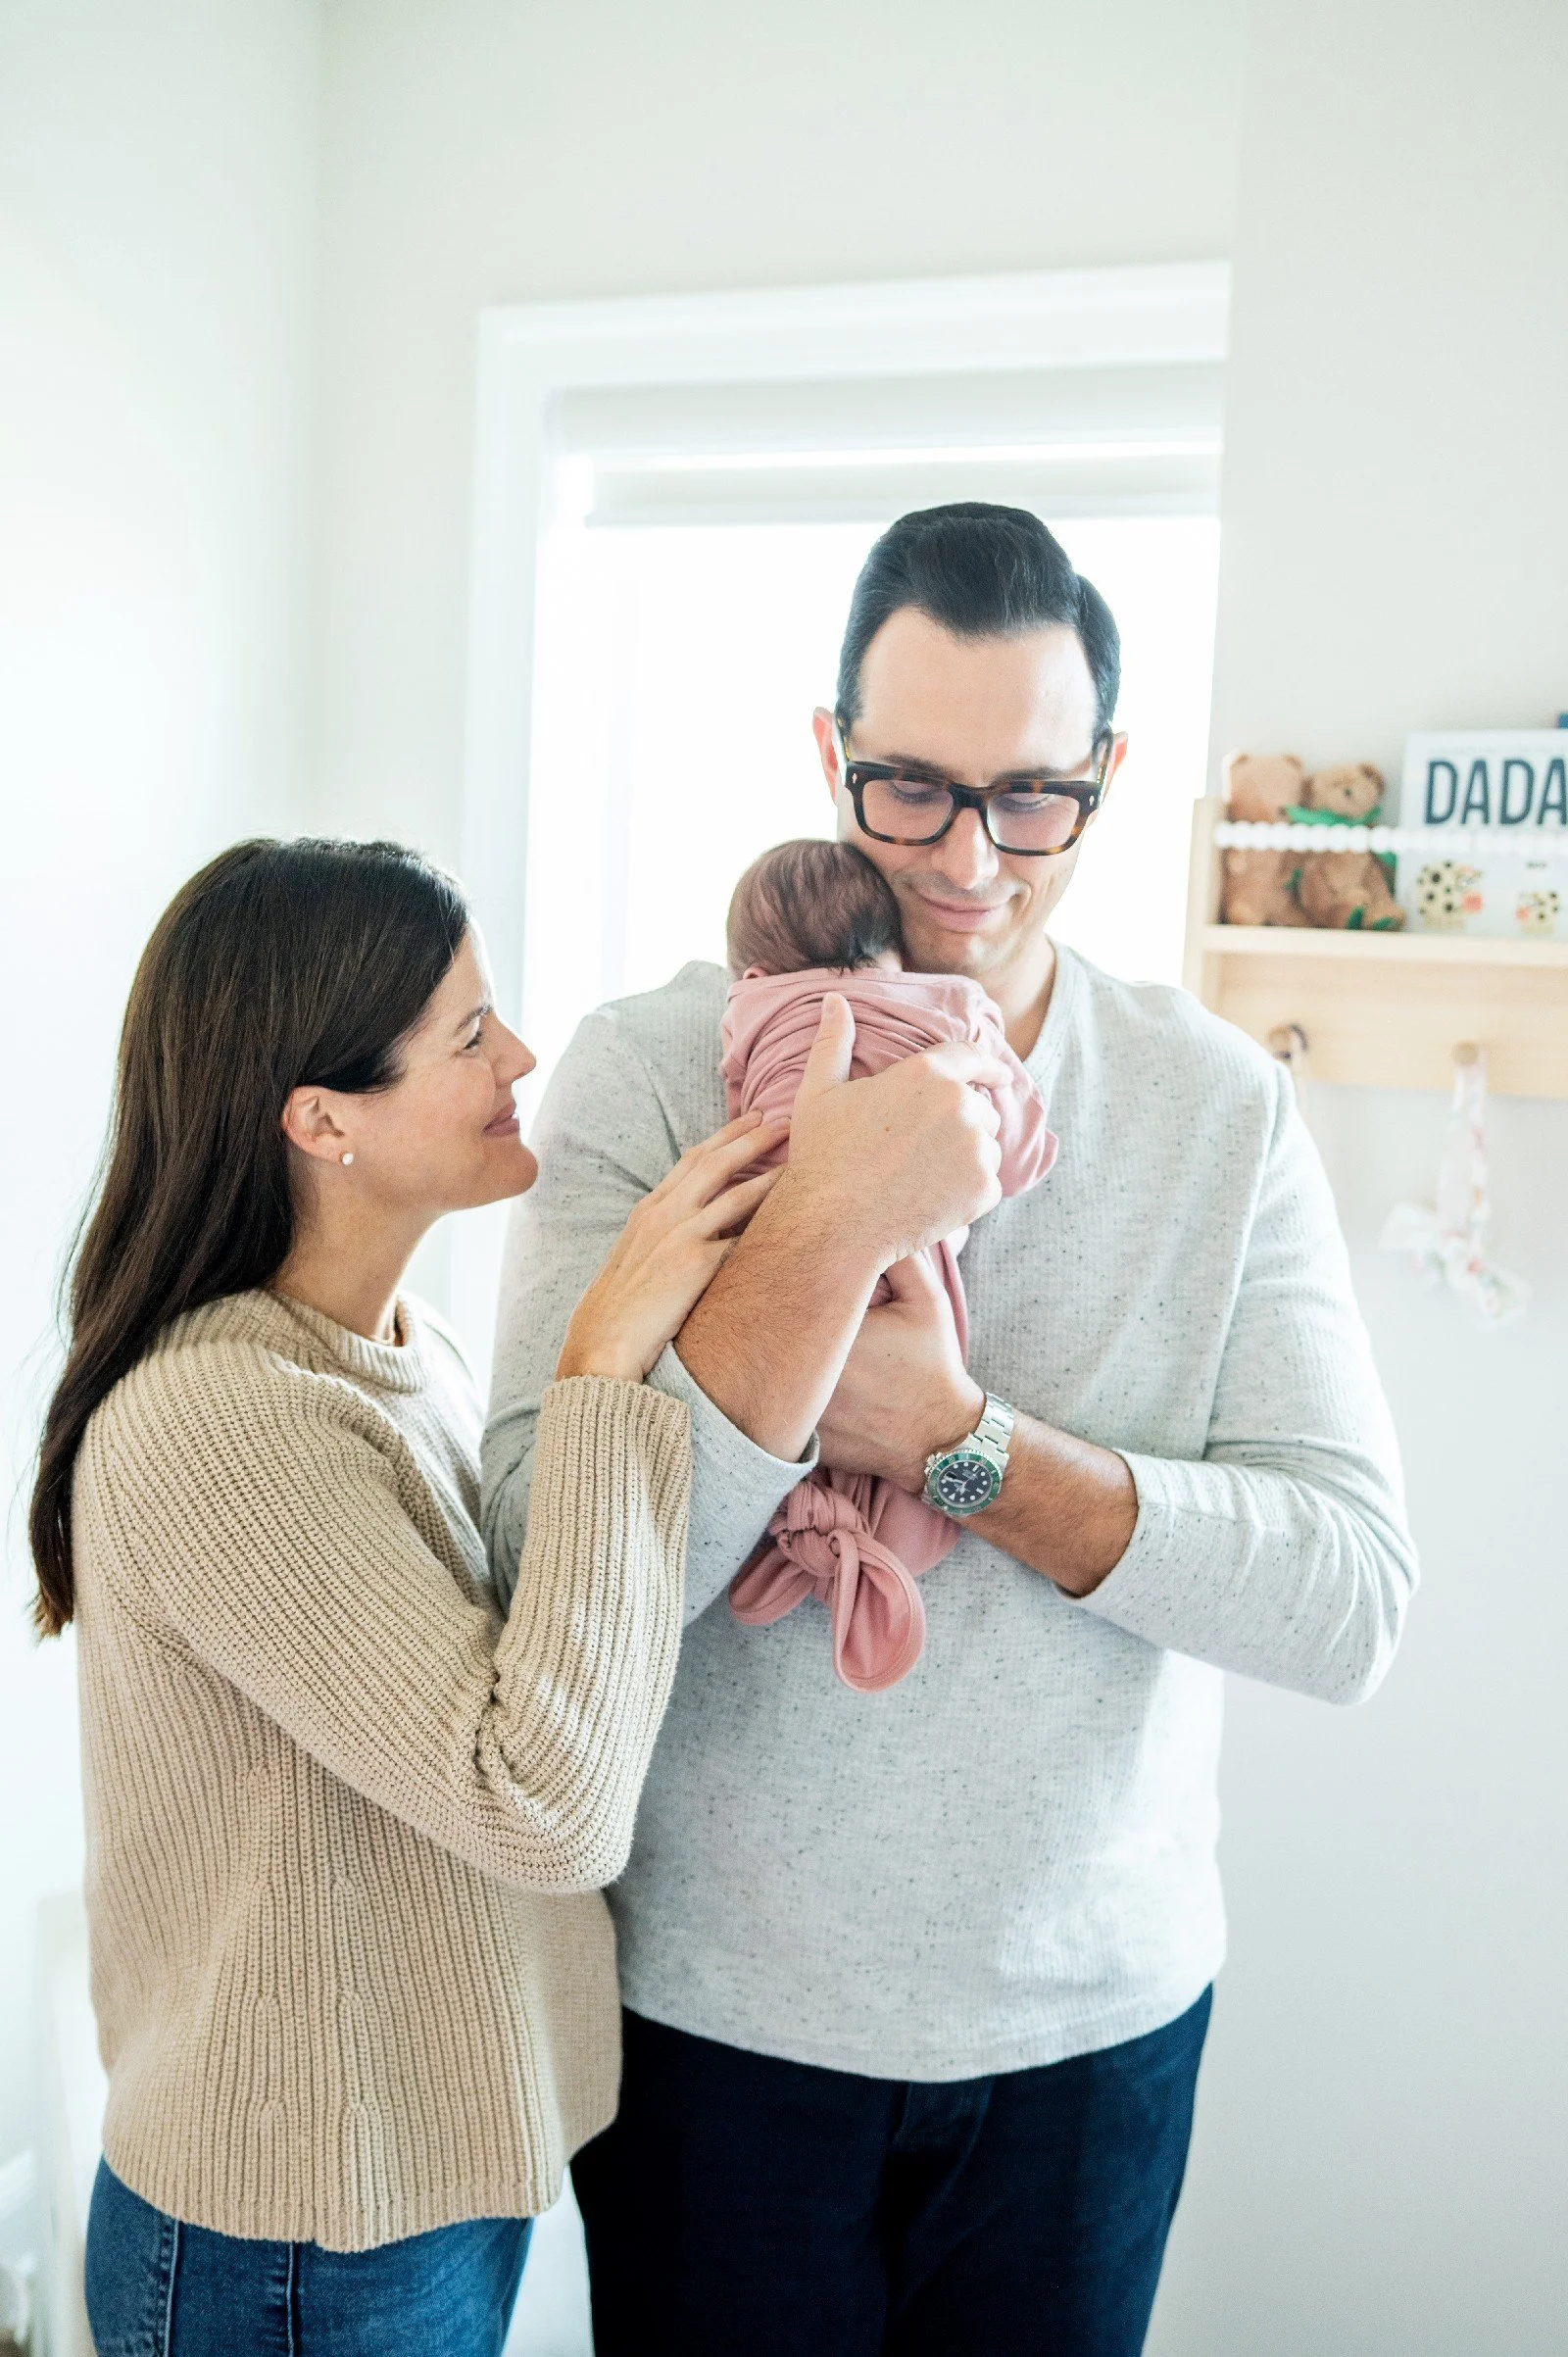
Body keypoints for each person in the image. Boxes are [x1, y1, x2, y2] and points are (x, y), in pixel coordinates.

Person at [484, 503, 1418, 2357]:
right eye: (908, 789)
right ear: (829, 756)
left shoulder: (1217, 1112)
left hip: (1094, 2045)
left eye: (1032, 797)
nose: (968, 861)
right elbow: (540, 1578)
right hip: (711, 2035)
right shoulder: (649, 1071)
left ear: (1107, 781)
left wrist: (958, 1442)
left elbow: (1350, 1599)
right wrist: (823, 1222)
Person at [29, 836, 787, 2357]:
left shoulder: (408, 1352)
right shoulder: (222, 1422)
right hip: (295, 2246)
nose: (518, 1053)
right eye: (465, 1034)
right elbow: (542, 1797)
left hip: (410, 2198)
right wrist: (601, 1364)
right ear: (322, 1120)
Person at [721, 836, 1056, 1692]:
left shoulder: (753, 1014)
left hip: (775, 1251)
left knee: (797, 1410)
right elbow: (1005, 1156)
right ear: (892, 945)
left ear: (750, 975)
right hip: (912, 1257)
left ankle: (804, 1530)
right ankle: (872, 1545)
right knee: (903, 1400)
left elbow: (740, 1116)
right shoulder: (952, 1006)